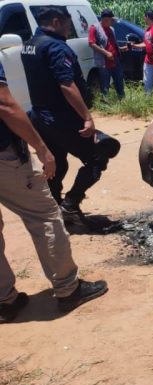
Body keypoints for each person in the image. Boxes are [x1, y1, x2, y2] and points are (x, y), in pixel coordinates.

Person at [0, 60, 108, 323]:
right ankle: (68, 289)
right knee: (44, 216)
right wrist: (40, 147)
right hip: (5, 158)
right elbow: (4, 104)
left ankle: (4, 300)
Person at [21, 7, 120, 226]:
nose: (69, 29)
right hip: (62, 119)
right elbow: (66, 84)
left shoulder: (30, 45)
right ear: (56, 22)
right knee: (100, 153)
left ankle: (53, 208)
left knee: (57, 163)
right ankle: (70, 205)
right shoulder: (56, 47)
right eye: (67, 24)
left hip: (40, 116)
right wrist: (87, 117)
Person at [88, 8, 126, 99]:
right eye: (111, 20)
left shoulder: (111, 29)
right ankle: (106, 103)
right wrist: (106, 53)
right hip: (104, 62)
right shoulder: (94, 28)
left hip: (115, 60)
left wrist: (120, 49)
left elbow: (112, 44)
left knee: (119, 81)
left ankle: (122, 100)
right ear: (105, 19)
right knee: (105, 83)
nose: (112, 22)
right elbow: (91, 43)